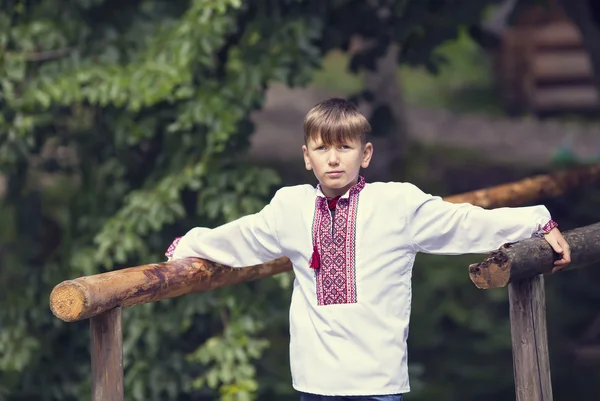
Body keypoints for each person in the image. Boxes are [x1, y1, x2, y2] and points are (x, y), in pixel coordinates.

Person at [166, 98, 571, 401]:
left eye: (344, 147)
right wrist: (189, 245)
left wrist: (536, 220)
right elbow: (242, 237)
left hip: (377, 381)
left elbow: (465, 223)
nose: (333, 158)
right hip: (315, 380)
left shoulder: (397, 204)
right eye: (322, 149)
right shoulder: (289, 207)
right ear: (307, 158)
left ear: (366, 153)